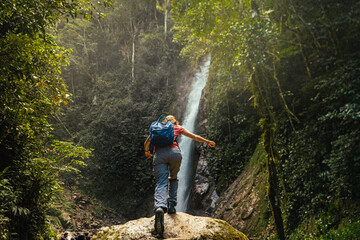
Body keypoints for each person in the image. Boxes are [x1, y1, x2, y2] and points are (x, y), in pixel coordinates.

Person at [144, 115, 215, 234]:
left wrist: (147, 151)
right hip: (175, 153)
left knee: (161, 182)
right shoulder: (177, 127)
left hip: (160, 154)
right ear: (175, 121)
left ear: (165, 121)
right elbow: (194, 136)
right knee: (173, 177)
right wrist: (208, 142)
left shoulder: (158, 127)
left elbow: (147, 142)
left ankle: (160, 207)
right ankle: (171, 204)